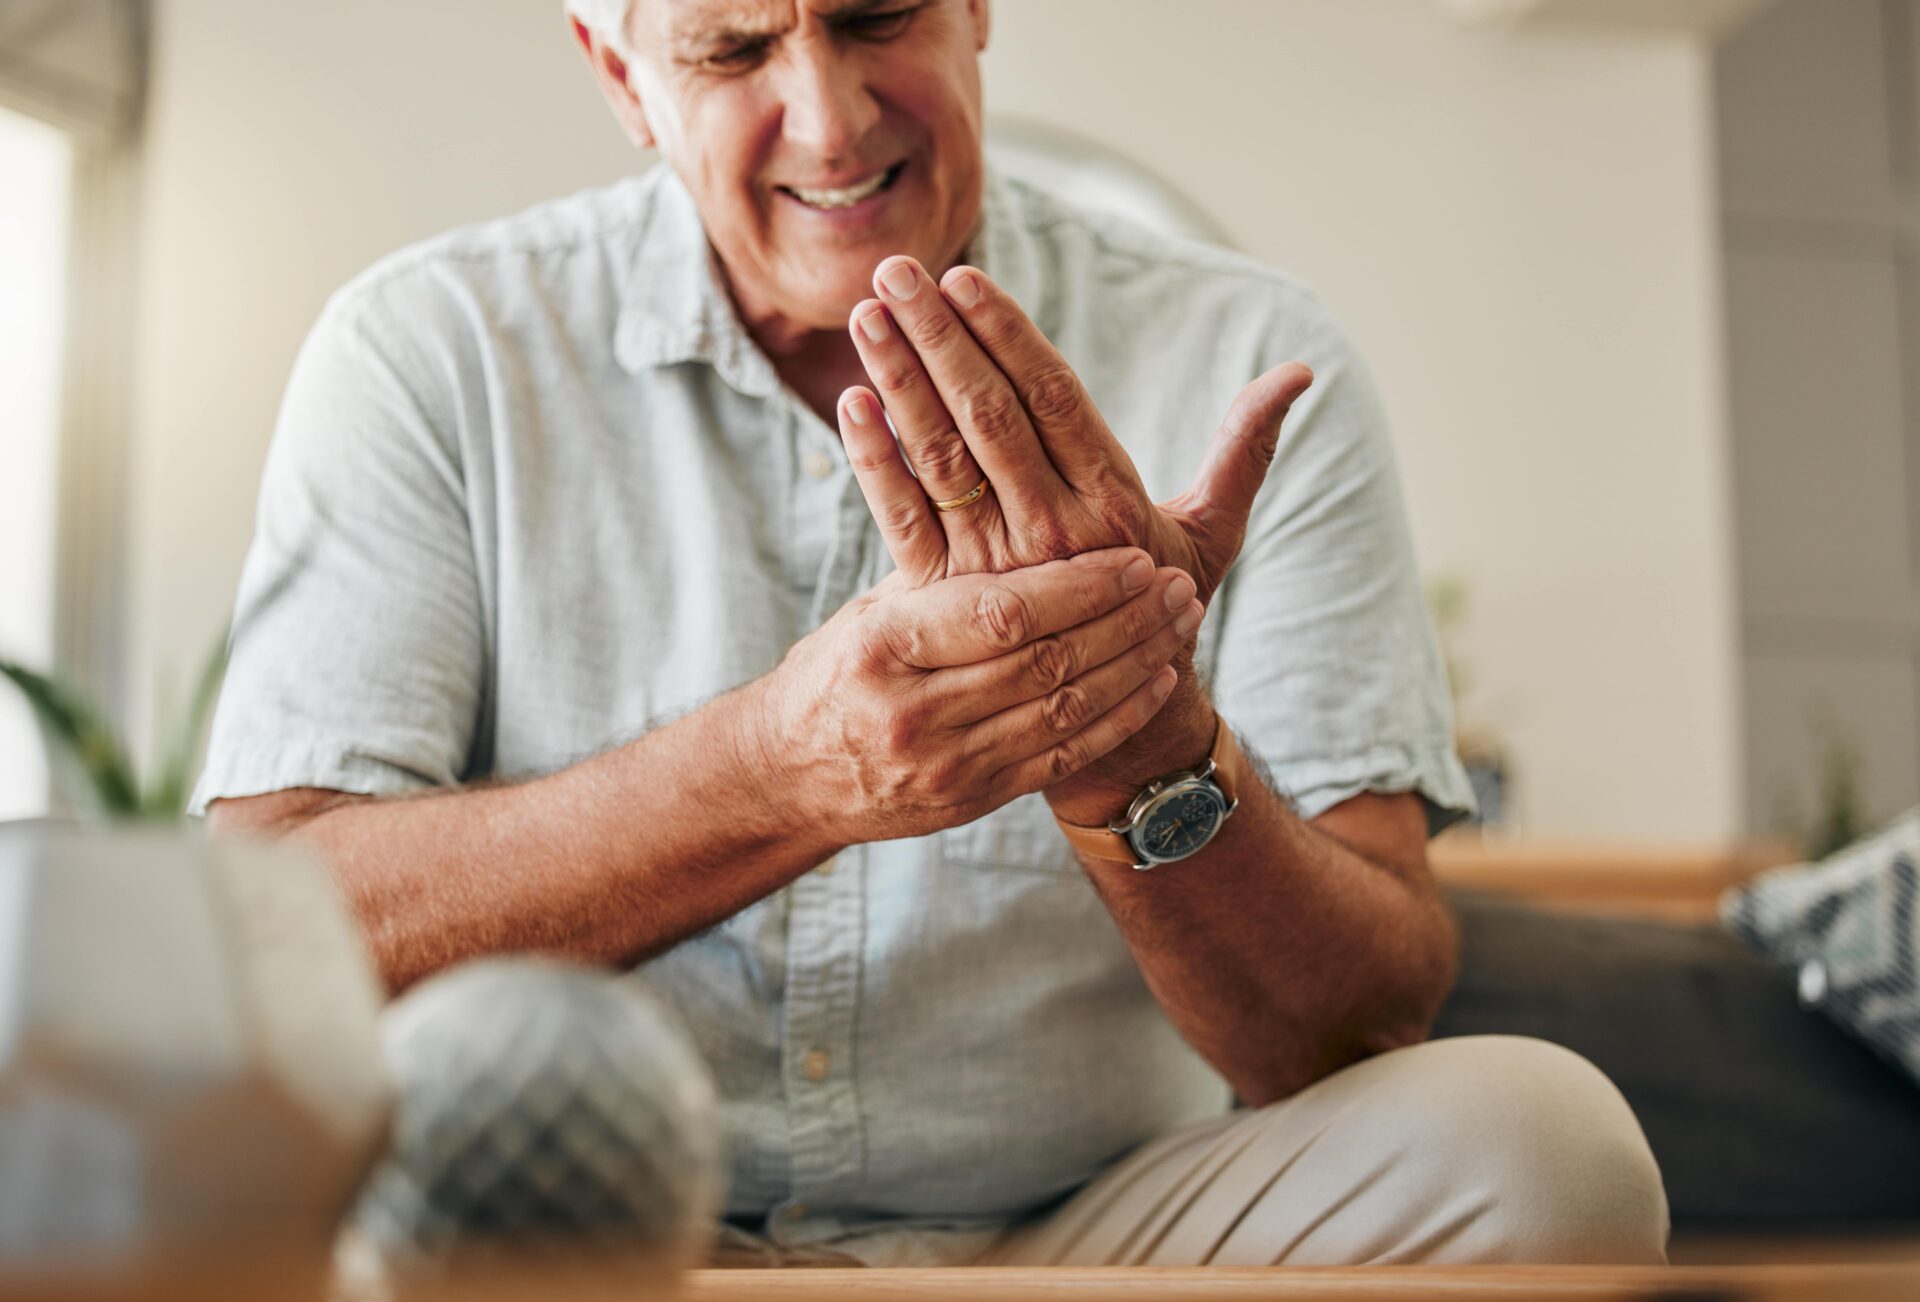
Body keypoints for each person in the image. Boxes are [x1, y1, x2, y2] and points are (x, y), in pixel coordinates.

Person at [196, 0, 1669, 1269]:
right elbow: (269, 937)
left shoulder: (1245, 355)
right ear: (618, 70)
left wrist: (1142, 746)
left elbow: (1352, 1034)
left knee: (1549, 1152)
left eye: (877, 12)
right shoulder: (430, 348)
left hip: (1091, 1233)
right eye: (731, 47)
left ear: (977, 6)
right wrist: (777, 772)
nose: (827, 120)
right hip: (583, 1241)